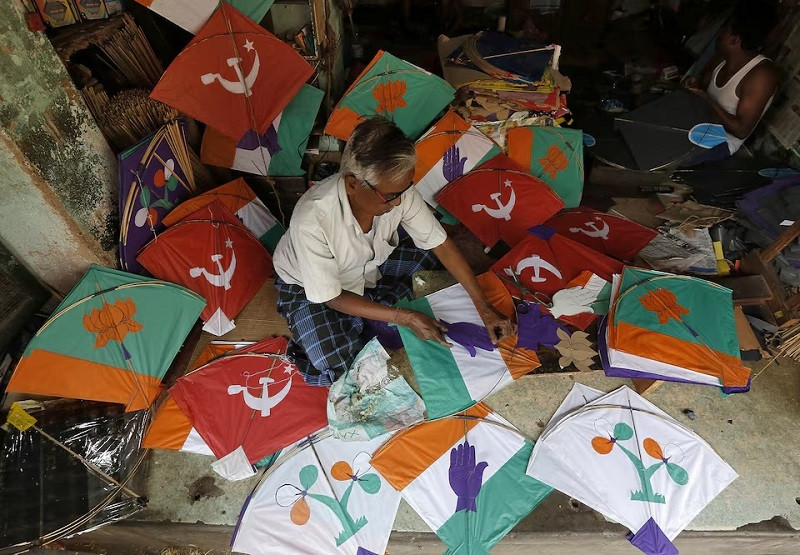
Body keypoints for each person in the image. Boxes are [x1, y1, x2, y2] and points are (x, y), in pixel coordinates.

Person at [273, 117, 516, 386]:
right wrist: (405, 317)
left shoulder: (395, 191)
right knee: (337, 365)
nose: (399, 201)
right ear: (353, 185)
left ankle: (373, 312)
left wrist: (483, 307)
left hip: (368, 268)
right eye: (390, 196)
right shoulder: (312, 220)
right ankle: (373, 313)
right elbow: (332, 298)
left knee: (428, 254)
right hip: (311, 286)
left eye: (405, 189)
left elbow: (441, 244)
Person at [683, 0, 778, 157]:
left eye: (723, 31)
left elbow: (741, 131)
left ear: (734, 39)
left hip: (721, 141)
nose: (718, 36)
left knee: (660, 146)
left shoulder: (761, 75)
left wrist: (706, 98)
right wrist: (695, 86)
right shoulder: (721, 57)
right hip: (699, 121)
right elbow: (704, 89)